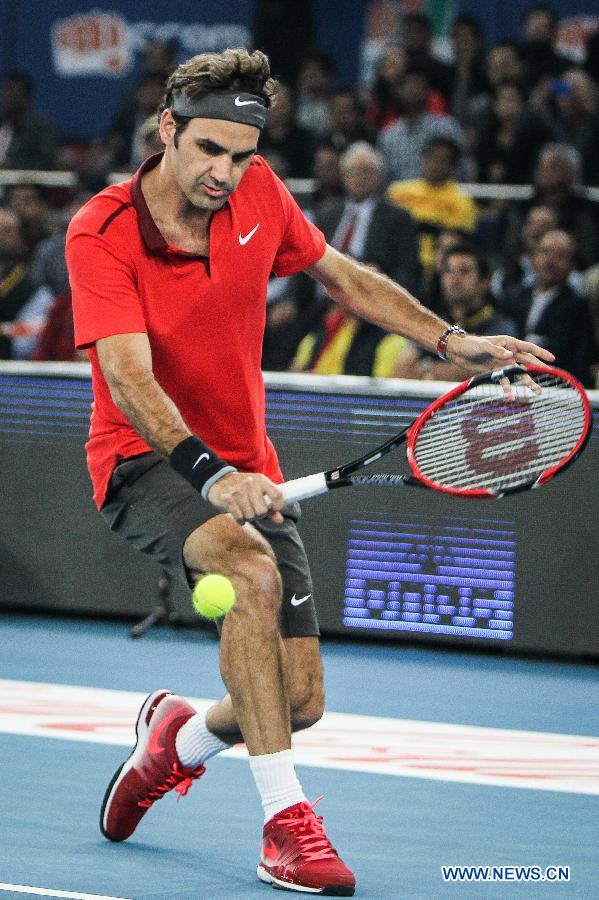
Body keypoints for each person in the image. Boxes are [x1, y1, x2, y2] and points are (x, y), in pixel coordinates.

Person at [65, 47, 553, 896]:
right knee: (248, 576)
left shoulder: (260, 196)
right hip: (149, 460)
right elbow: (129, 380)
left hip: (247, 465)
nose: (225, 172)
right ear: (168, 132)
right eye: (209, 150)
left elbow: (341, 277)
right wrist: (209, 474)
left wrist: (450, 340)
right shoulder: (101, 231)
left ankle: (171, 747)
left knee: (295, 704)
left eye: (243, 156)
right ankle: (285, 829)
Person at [395, 243, 518, 381]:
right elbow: (402, 370)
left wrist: (426, 369)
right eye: (448, 271)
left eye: (464, 271)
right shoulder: (433, 322)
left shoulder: (501, 327)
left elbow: (483, 373)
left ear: (484, 281)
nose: (455, 278)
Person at [499, 229, 597, 386]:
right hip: (508, 384)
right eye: (545, 252)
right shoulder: (514, 296)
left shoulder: (578, 307)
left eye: (561, 255)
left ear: (572, 264)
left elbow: (575, 358)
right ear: (533, 257)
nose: (550, 261)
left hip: (555, 389)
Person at [386, 136, 477, 277]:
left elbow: (455, 241)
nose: (435, 164)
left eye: (443, 160)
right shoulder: (398, 191)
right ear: (421, 159)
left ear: (453, 167)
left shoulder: (462, 202)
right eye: (431, 157)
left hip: (435, 269)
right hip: (394, 261)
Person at [377, 67, 462, 183]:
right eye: (407, 85)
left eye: (418, 85)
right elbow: (384, 178)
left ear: (428, 91)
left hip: (441, 198)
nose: (412, 90)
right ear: (399, 91)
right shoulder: (389, 135)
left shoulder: (446, 126)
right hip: (400, 198)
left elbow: (460, 168)